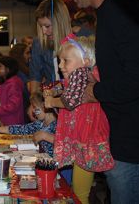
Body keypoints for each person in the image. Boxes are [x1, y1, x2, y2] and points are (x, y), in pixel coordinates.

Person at [44, 0, 139, 203]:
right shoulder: (110, 10)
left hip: (134, 149)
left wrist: (95, 91)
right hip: (124, 144)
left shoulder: (123, 9)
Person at [44, 35, 114, 204]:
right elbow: (64, 86)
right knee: (79, 191)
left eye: (65, 61)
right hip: (82, 143)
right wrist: (53, 92)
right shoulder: (77, 77)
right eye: (60, 61)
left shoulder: (83, 74)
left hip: (88, 142)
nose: (60, 66)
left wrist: (52, 101)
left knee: (80, 194)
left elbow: (70, 101)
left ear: (86, 61)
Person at [0, 92, 56, 157]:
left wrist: (45, 136)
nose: (33, 111)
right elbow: (21, 129)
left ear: (44, 106)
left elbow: (64, 143)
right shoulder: (40, 123)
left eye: (35, 107)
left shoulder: (57, 125)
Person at [29, 0, 72, 94]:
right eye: (41, 26)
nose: (44, 31)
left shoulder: (78, 42)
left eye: (47, 26)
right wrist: (34, 100)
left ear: (59, 23)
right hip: (51, 96)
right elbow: (35, 76)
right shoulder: (38, 43)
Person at [0, 57, 24, 126]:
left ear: (8, 69)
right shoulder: (6, 83)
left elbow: (14, 105)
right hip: (6, 120)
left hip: (13, 122)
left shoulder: (13, 84)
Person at [9, 43, 31, 123]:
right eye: (27, 53)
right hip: (23, 109)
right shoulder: (19, 72)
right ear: (19, 55)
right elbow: (29, 90)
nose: (29, 56)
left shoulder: (24, 68)